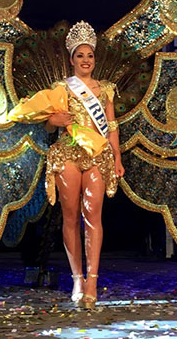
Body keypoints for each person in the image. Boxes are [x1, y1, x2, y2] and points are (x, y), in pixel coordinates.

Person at [45, 21, 124, 309]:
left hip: (98, 155)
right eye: (80, 55)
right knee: (70, 217)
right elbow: (48, 124)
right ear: (72, 59)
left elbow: (111, 126)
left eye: (89, 55)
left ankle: (92, 279)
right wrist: (54, 121)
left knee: (93, 215)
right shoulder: (61, 88)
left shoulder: (106, 90)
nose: (86, 60)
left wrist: (117, 157)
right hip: (68, 153)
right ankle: (77, 277)